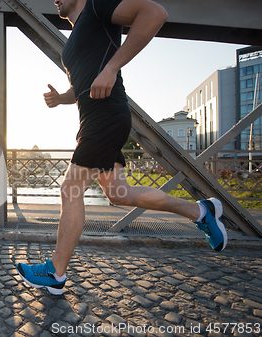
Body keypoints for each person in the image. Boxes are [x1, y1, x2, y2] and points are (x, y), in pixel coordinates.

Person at [16, 0, 228, 296]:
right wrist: (61, 99)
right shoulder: (76, 37)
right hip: (93, 119)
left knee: (70, 189)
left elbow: (155, 13)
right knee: (118, 193)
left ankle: (55, 271)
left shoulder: (96, 7)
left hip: (107, 115)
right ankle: (201, 211)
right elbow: (84, 84)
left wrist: (113, 67)